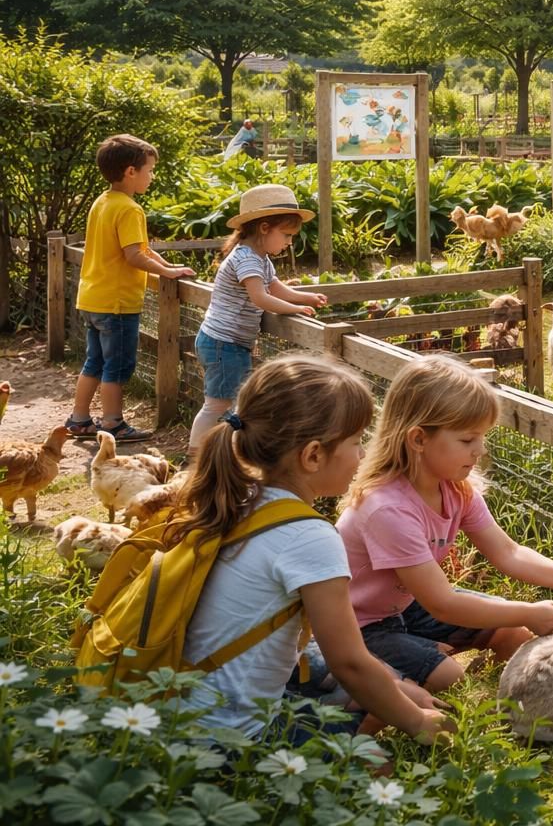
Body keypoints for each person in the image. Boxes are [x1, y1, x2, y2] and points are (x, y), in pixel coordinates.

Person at [179, 353, 452, 745]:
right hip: (235, 735)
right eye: (357, 442)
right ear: (312, 455)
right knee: (375, 765)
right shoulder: (309, 537)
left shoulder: (238, 498)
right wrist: (419, 724)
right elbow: (351, 664)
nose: (361, 454)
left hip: (183, 707)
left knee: (391, 688)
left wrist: (394, 688)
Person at [338, 356, 553, 692]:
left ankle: (510, 696)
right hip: (358, 624)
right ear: (419, 439)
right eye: (467, 440)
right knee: (449, 676)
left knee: (514, 632)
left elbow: (508, 551)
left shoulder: (455, 489)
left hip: (409, 606)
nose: (479, 450)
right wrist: (527, 611)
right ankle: (408, 669)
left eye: (481, 438)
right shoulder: (387, 509)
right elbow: (443, 603)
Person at [65, 135, 196, 443]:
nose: (151, 176)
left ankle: (80, 419)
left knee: (93, 362)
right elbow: (134, 254)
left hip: (93, 298)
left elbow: (142, 249)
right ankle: (112, 423)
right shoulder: (129, 209)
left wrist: (167, 266)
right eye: (149, 170)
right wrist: (167, 271)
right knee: (118, 366)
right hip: (118, 303)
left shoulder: (103, 202)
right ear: (130, 172)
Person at [188, 185, 329, 457]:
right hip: (223, 343)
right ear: (265, 228)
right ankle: (195, 459)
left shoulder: (260, 259)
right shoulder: (246, 259)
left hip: (227, 342)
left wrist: (305, 298)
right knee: (217, 405)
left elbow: (275, 288)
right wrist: (293, 309)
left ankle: (222, 455)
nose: (289, 243)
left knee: (231, 404)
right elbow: (261, 298)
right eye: (286, 235)